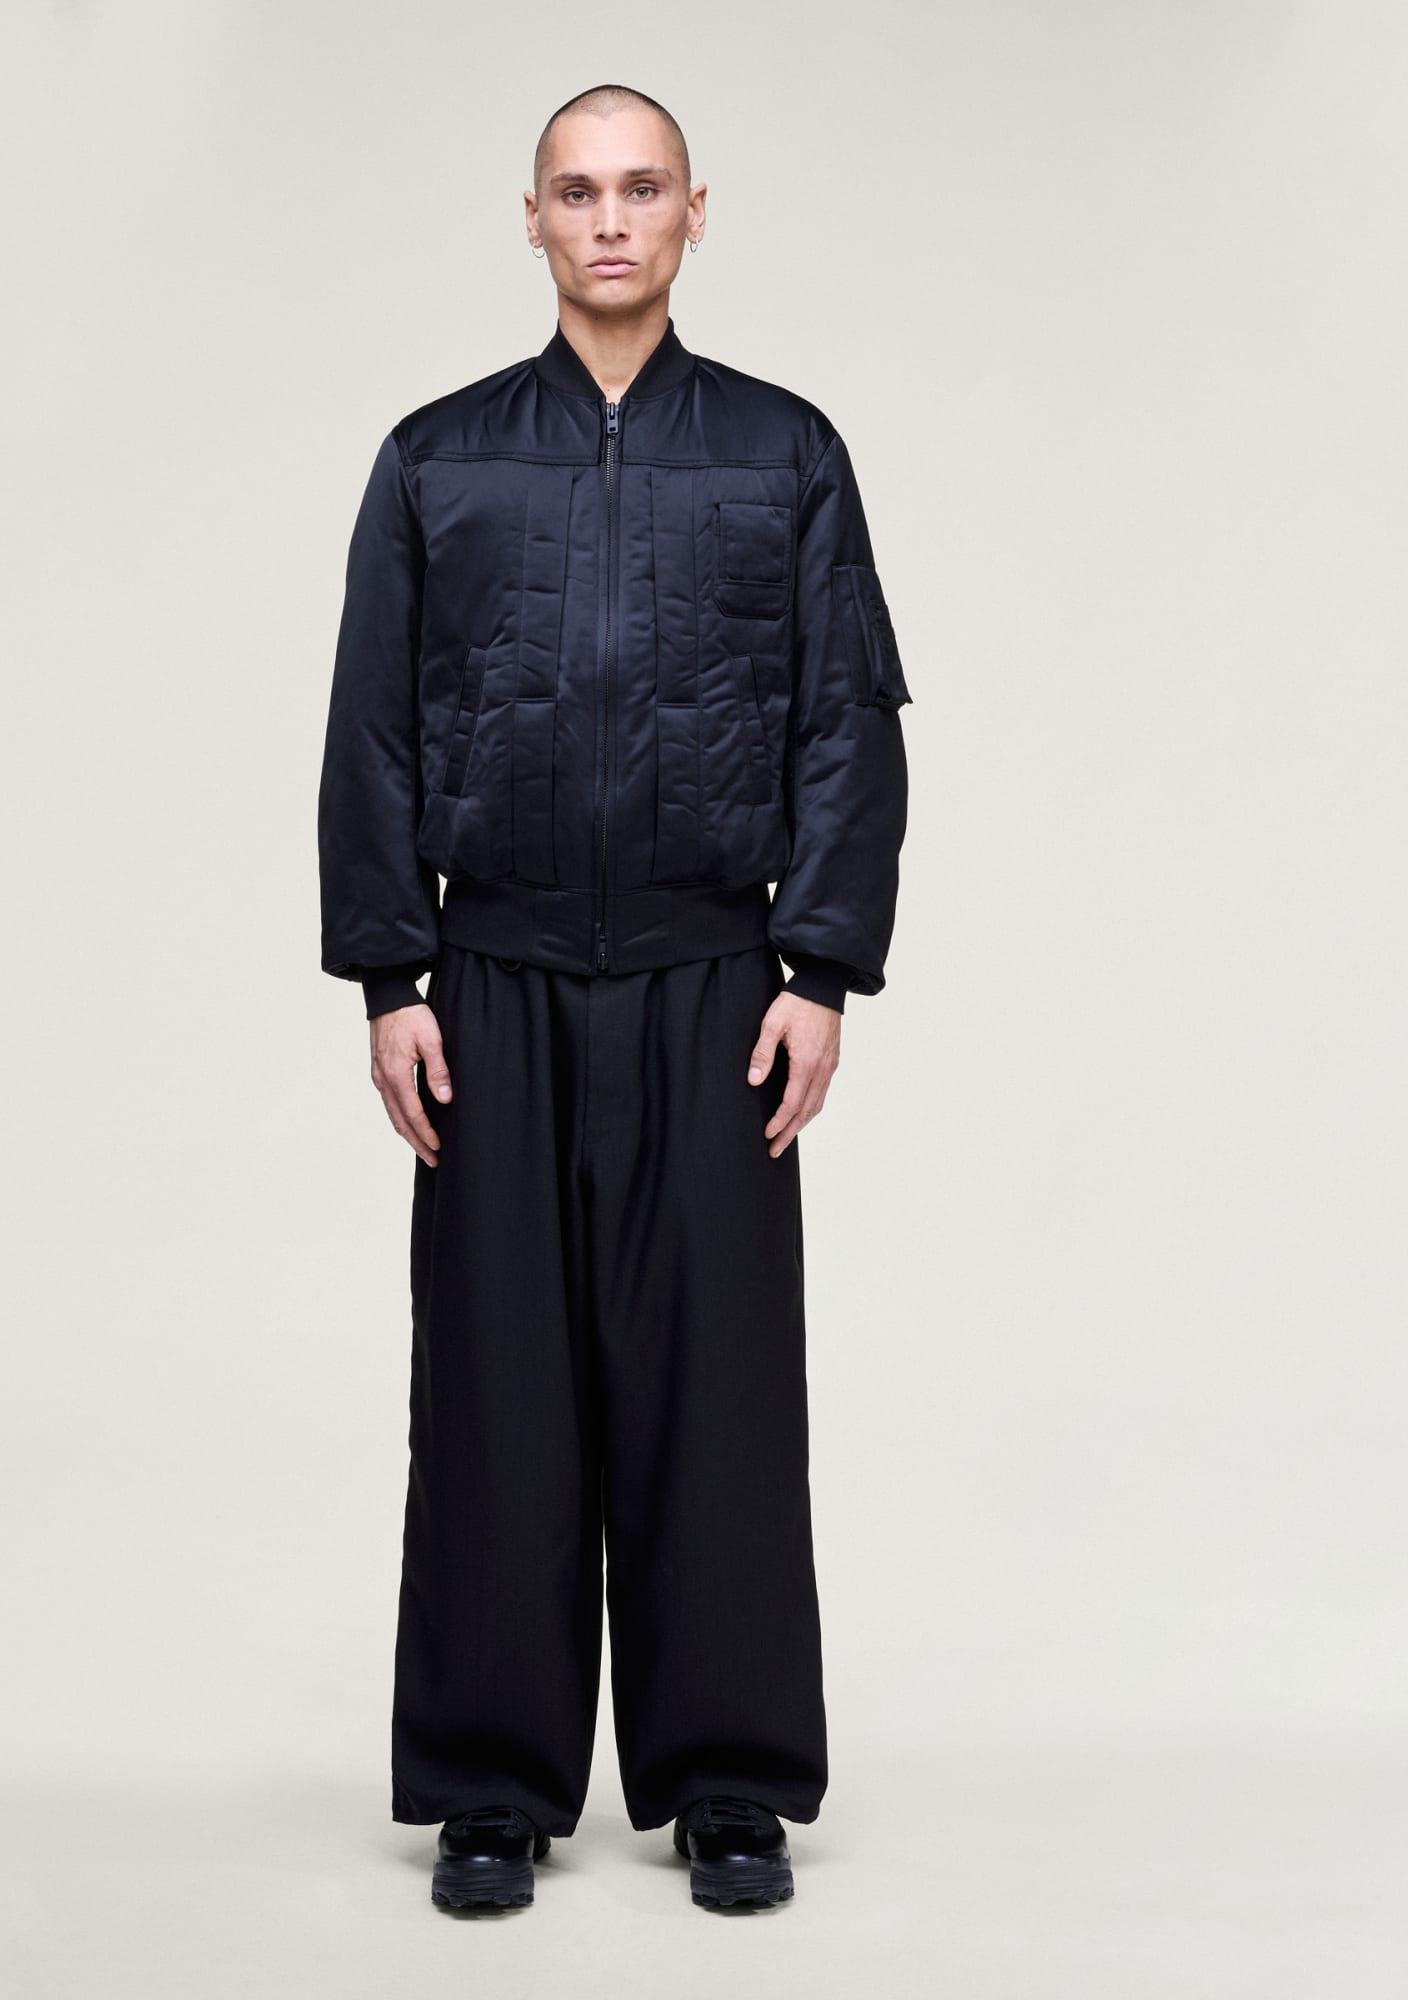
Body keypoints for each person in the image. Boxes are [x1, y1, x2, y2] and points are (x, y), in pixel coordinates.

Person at [316, 82, 913, 1912]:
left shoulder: (785, 454)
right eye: (576, 192)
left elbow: (844, 724)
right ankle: (493, 1786)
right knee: (494, 1386)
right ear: (532, 220)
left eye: (640, 189)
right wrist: (391, 972)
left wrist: (822, 969)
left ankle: (729, 1780)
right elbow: (373, 725)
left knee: (715, 1389)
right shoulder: (437, 459)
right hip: (491, 978)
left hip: (710, 982)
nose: (609, 221)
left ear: (693, 214)